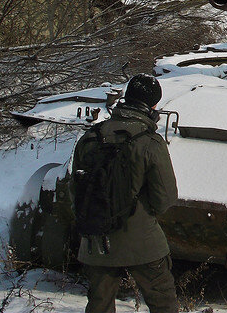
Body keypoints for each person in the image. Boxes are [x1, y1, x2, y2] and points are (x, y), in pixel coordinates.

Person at [72, 73, 179, 313]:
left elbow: (75, 190)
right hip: (142, 242)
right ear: (153, 106)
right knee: (163, 301)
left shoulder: (90, 137)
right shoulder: (149, 142)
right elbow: (165, 198)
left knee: (99, 304)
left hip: (96, 241)